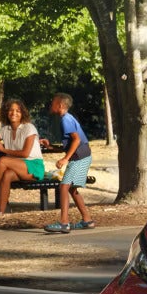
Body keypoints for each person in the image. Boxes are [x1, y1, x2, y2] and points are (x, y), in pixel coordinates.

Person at [0, 99, 44, 216]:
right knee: (7, 175)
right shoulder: (5, 129)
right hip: (17, 165)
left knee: (3, 161)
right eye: (11, 110)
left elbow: (25, 154)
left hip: (33, 166)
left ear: (22, 113)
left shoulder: (29, 128)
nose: (14, 113)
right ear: (6, 112)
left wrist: (3, 150)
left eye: (18, 111)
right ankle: (1, 212)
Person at [42, 93, 95, 233]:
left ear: (60, 105)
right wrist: (51, 147)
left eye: (53, 102)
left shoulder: (66, 119)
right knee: (72, 188)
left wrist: (65, 159)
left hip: (80, 157)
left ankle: (64, 223)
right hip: (83, 155)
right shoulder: (67, 118)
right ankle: (87, 220)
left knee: (64, 187)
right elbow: (70, 143)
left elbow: (76, 140)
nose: (51, 104)